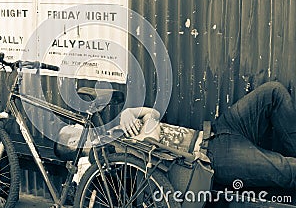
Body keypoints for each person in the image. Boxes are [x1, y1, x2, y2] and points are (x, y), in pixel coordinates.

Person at [120, 81, 296, 190]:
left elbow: (154, 114)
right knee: (288, 170)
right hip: (216, 156)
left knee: (273, 92)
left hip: (219, 129)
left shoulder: (132, 128)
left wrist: (130, 112)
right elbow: (153, 136)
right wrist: (140, 119)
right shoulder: (135, 150)